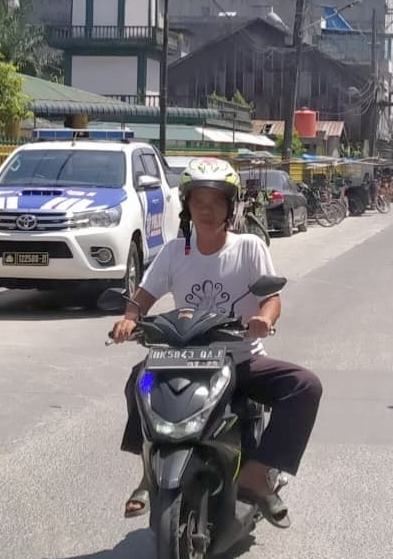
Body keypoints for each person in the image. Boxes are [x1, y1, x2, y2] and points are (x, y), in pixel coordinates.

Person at [112, 156, 323, 527]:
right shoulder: (176, 252)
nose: (206, 210)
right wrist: (130, 319)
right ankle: (148, 471)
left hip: (241, 363)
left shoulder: (248, 247)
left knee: (305, 386)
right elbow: (143, 295)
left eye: (216, 202)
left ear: (231, 205)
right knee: (139, 381)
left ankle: (256, 475)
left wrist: (264, 320)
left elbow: (271, 298)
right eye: (198, 202)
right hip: (181, 361)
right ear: (187, 206)